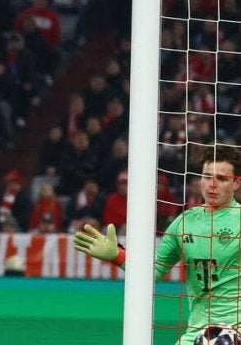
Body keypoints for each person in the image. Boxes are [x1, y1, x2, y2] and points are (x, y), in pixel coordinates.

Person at [74, 145, 241, 345]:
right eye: (207, 176)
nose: (212, 185)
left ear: (236, 183)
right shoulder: (185, 222)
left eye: (221, 179)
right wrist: (116, 255)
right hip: (198, 333)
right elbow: (153, 271)